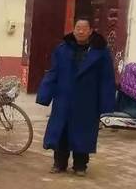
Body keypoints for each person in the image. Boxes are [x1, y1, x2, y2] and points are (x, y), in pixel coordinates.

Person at [37, 16, 116, 176]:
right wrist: (45, 94)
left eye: (84, 28)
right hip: (64, 100)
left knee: (83, 134)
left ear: (90, 31)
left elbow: (107, 79)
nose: (80, 31)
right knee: (62, 133)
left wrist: (107, 103)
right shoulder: (62, 49)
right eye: (77, 28)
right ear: (73, 30)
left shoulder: (100, 53)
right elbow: (53, 73)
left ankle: (80, 166)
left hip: (87, 101)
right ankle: (59, 163)